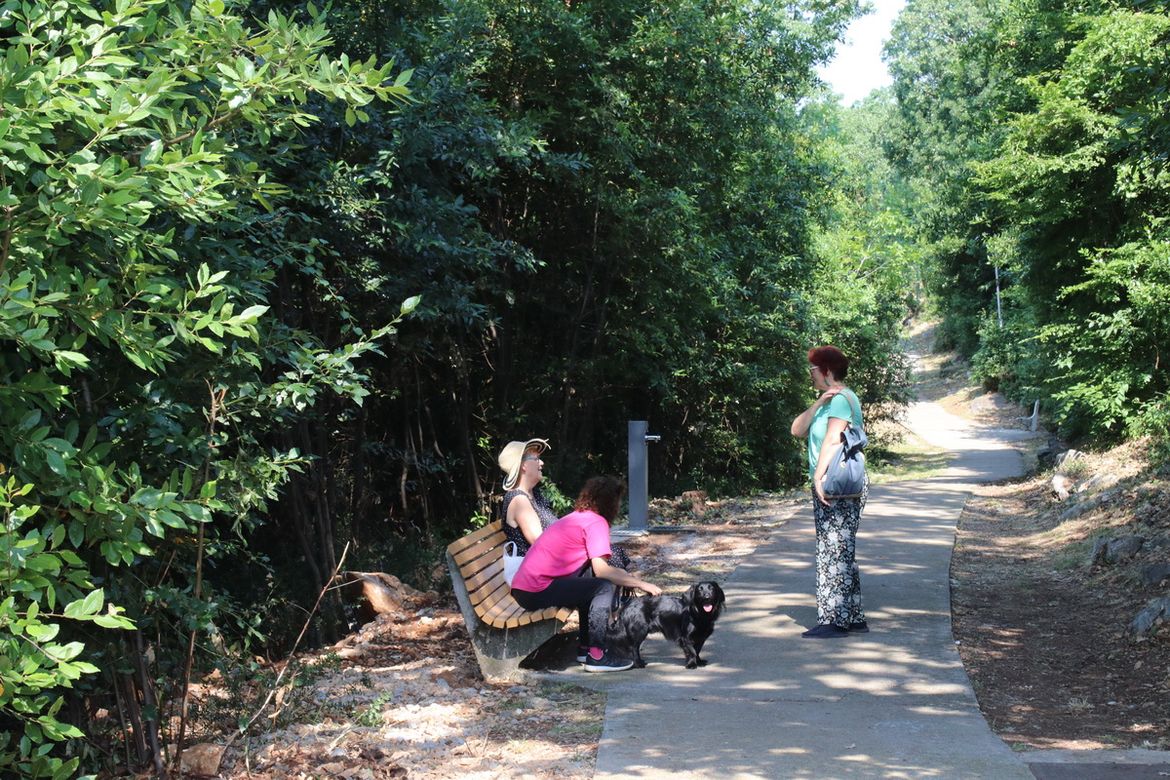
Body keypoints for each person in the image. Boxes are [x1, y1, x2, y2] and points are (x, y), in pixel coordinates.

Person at [510, 476, 662, 672]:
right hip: (536, 589)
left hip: (526, 588)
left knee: (591, 581)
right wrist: (640, 583)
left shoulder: (577, 517)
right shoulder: (596, 523)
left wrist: (625, 577)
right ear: (610, 502)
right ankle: (597, 655)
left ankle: (586, 647)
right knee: (602, 587)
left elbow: (594, 569)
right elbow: (603, 570)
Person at [789, 345, 868, 639]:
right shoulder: (829, 401)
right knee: (840, 548)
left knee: (833, 550)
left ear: (825, 371)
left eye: (812, 369)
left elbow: (834, 441)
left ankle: (834, 620)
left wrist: (819, 478)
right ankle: (854, 615)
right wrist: (817, 403)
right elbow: (796, 430)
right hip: (832, 482)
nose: (810, 375)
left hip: (836, 483)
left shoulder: (843, 401)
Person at [497, 438, 558, 555]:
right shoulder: (519, 500)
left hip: (553, 564)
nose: (541, 463)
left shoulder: (534, 494)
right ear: (524, 465)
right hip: (539, 570)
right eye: (537, 459)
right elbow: (540, 543)